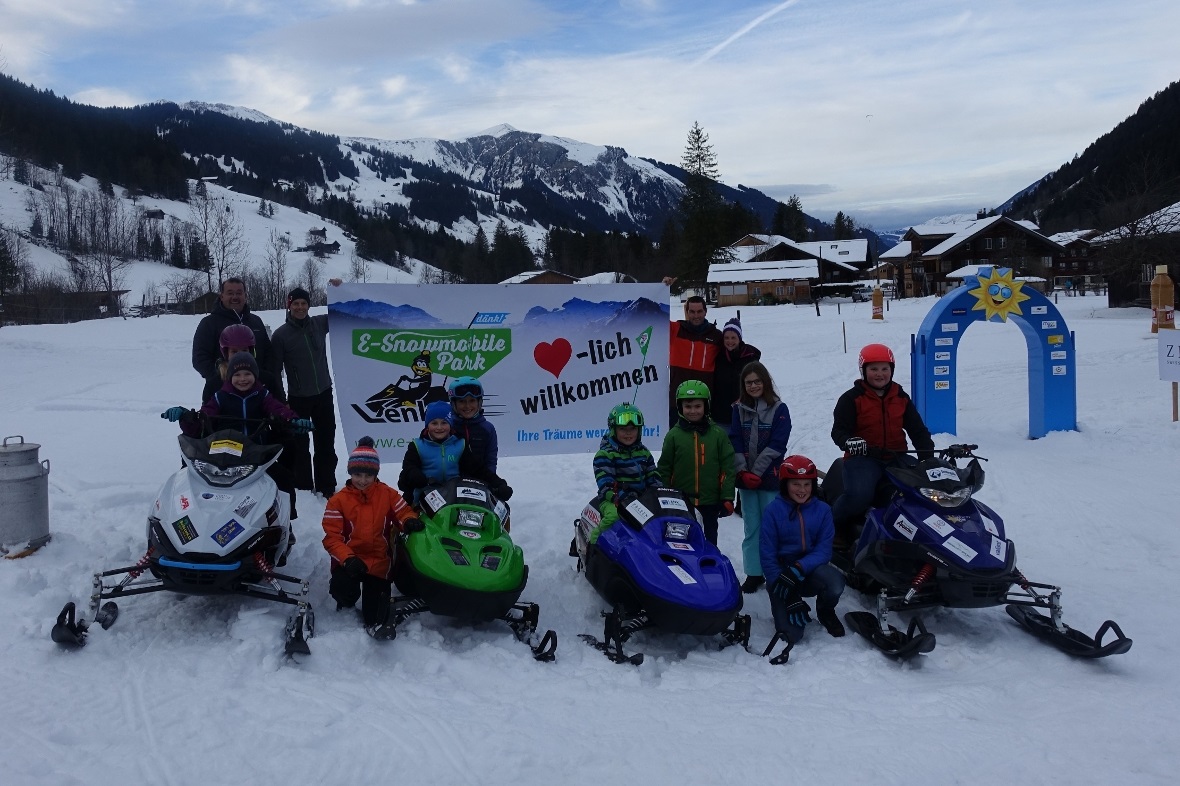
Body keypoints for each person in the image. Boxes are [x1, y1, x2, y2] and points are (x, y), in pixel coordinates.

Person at [162, 352, 312, 552]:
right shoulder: (220, 396)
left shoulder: (262, 395)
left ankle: (285, 523)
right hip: (220, 456)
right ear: (230, 376)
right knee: (191, 481)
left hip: (255, 456)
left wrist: (292, 421)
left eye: (247, 374)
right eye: (238, 374)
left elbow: (278, 410)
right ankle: (187, 526)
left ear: (255, 375)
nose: (243, 379)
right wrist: (186, 417)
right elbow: (202, 420)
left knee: (282, 479)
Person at [829, 343, 935, 549]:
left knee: (923, 489)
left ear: (892, 370)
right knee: (859, 495)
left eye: (885, 368)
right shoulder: (851, 398)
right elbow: (839, 431)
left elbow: (917, 430)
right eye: (874, 369)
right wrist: (850, 442)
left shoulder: (900, 397)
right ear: (864, 371)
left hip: (896, 456)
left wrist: (927, 458)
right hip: (864, 458)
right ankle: (835, 524)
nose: (880, 374)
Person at [321, 437, 424, 637]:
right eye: (357, 474)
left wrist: (409, 520)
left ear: (376, 474)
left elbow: (403, 512)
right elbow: (331, 538)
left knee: (374, 615)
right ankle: (347, 600)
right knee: (342, 589)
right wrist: (347, 558)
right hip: (350, 560)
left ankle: (374, 616)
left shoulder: (387, 494)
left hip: (378, 561)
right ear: (350, 473)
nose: (363, 480)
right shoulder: (338, 501)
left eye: (368, 475)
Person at [760, 455, 847, 665]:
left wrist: (798, 568)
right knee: (792, 636)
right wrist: (788, 592)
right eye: (796, 484)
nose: (802, 489)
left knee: (835, 582)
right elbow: (767, 556)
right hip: (781, 578)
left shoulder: (823, 510)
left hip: (809, 571)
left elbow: (824, 550)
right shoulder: (773, 511)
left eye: (807, 484)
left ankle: (825, 611)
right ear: (785, 485)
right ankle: (784, 603)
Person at [728, 361, 791, 593]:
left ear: (765, 382)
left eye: (757, 381)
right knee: (751, 526)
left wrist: (756, 472)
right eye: (748, 382)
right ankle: (754, 572)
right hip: (745, 479)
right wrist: (742, 471)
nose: (753, 386)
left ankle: (775, 570)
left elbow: (777, 445)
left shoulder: (779, 409)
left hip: (769, 477)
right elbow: (734, 439)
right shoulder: (738, 408)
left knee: (771, 526)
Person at [270, 286, 338, 498]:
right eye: (296, 304)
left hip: (324, 394)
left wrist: (340, 288)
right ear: (289, 306)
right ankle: (304, 488)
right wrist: (283, 402)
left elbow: (342, 312)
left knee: (326, 443)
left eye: (304, 303)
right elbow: (274, 372)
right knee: (300, 447)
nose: (300, 307)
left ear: (308, 305)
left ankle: (326, 486)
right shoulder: (281, 335)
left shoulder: (319, 323)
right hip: (298, 399)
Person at [657, 380, 735, 545]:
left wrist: (727, 496)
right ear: (680, 407)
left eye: (698, 406)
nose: (693, 411)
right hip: (681, 502)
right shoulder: (673, 436)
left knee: (709, 541)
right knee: (681, 539)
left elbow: (727, 467)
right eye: (688, 406)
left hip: (710, 501)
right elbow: (665, 467)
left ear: (706, 406)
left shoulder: (718, 434)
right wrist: (664, 494)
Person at [397, 400, 512, 506]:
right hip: (423, 499)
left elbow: (477, 469)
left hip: (453, 498)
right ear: (427, 425)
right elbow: (408, 468)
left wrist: (498, 484)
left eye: (444, 423)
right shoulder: (418, 446)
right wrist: (414, 474)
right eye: (434, 423)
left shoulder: (459, 445)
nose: (439, 427)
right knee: (405, 520)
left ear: (450, 424)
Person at [192, 277, 279, 405]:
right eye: (230, 293)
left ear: (245, 296)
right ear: (222, 296)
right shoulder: (209, 323)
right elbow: (200, 358)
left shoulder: (256, 321)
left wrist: (262, 377)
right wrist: (220, 378)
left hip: (258, 392)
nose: (235, 297)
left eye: (239, 293)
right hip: (223, 394)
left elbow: (268, 353)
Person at [585, 402, 663, 545]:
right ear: (613, 430)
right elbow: (605, 484)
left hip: (641, 500)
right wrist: (620, 498)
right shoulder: (605, 455)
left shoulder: (644, 452)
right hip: (613, 500)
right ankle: (593, 544)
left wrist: (658, 492)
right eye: (623, 429)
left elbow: (653, 476)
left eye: (633, 429)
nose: (628, 433)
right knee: (614, 517)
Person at [668, 296, 722, 425]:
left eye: (699, 311)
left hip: (703, 404)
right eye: (692, 312)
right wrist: (662, 286)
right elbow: (656, 316)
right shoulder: (676, 329)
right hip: (678, 402)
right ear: (686, 312)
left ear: (705, 311)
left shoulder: (716, 336)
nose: (696, 315)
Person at [710, 317, 761, 427]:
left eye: (733, 338)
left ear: (739, 338)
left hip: (743, 414)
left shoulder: (750, 358)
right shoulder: (718, 356)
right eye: (726, 338)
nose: (730, 341)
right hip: (720, 415)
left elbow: (758, 384)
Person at [447, 376, 499, 475]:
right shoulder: (447, 427)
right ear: (454, 403)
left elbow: (490, 461)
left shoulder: (488, 428)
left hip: (480, 484)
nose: (467, 406)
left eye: (472, 401)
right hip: (451, 484)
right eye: (462, 401)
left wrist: (492, 481)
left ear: (479, 402)